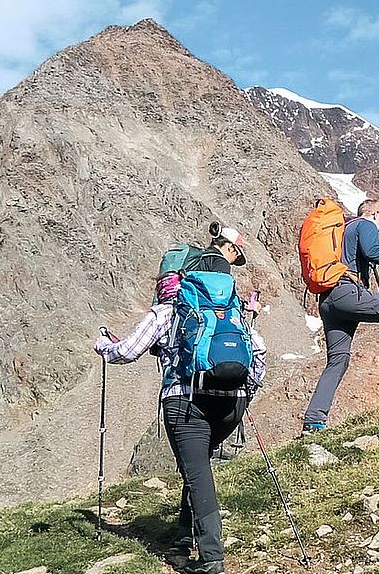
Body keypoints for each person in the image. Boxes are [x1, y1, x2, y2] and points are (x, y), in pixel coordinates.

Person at [96, 226, 265, 574]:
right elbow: (258, 354)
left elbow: (127, 352)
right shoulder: (230, 310)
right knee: (197, 466)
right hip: (231, 402)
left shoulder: (168, 310)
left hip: (186, 402)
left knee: (198, 472)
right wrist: (245, 392)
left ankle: (211, 558)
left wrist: (103, 347)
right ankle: (181, 541)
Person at [301, 199, 379, 433]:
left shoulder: (343, 229)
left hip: (328, 299)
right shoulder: (365, 225)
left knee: (337, 360)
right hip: (348, 292)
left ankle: (314, 420)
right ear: (377, 213)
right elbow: (373, 252)